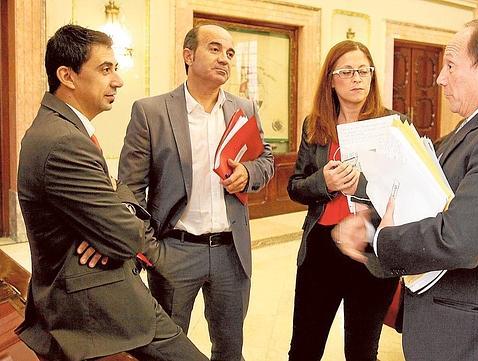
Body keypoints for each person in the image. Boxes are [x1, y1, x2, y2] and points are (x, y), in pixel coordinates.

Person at [333, 18, 478, 361]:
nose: (440, 78)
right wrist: (371, 224)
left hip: (469, 335)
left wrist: (380, 241)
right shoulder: (473, 128)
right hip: (442, 323)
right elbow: (423, 199)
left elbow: (459, 238)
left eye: (450, 65)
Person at [16, 25, 207, 361]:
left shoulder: (64, 129)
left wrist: (108, 221)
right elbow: (127, 238)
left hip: (90, 292)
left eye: (116, 69)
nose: (117, 80)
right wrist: (112, 227)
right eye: (105, 69)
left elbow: (117, 192)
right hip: (93, 304)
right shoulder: (63, 141)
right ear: (68, 76)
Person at [118, 24, 274, 360]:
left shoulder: (243, 109)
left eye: (230, 53)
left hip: (230, 253)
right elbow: (130, 190)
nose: (224, 59)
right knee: (165, 349)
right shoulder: (152, 112)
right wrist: (151, 249)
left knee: (230, 349)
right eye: (215, 49)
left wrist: (248, 173)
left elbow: (266, 159)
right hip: (175, 250)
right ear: (188, 55)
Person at [286, 40, 402, 361]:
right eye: (348, 71)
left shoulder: (393, 125)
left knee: (362, 352)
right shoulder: (316, 125)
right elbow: (295, 187)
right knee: (304, 348)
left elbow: (404, 191)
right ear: (331, 80)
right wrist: (324, 182)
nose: (357, 79)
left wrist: (361, 187)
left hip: (370, 248)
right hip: (322, 248)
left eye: (364, 71)